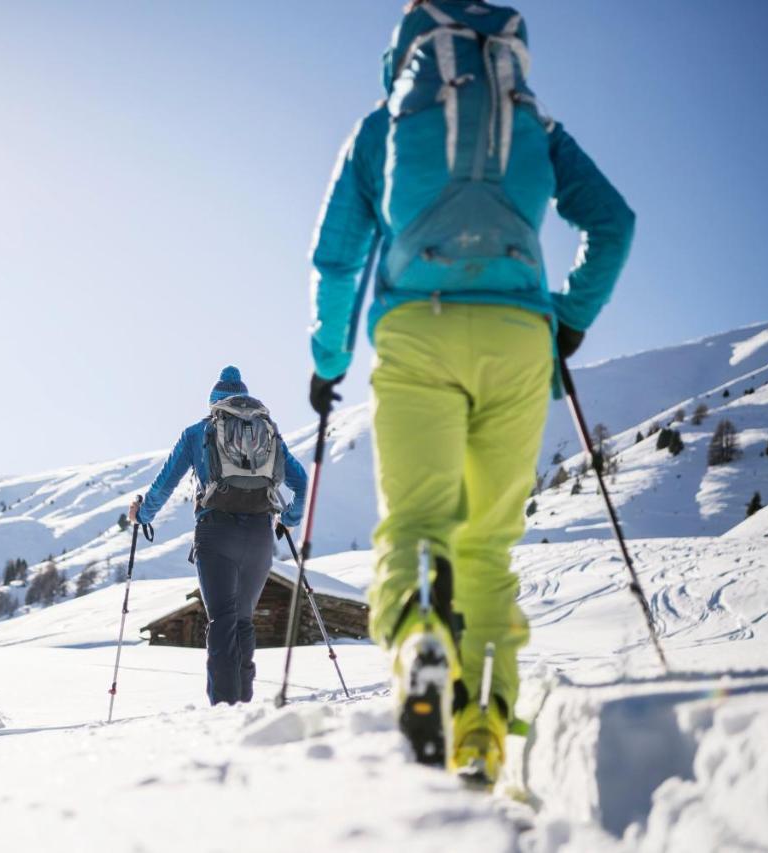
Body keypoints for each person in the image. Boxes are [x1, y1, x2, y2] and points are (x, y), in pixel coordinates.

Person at [306, 0, 634, 781]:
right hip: (520, 335)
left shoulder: (384, 125)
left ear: (410, 50)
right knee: (486, 542)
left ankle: (421, 633)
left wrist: (327, 360)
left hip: (417, 328)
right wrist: (570, 321)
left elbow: (337, 259)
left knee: (418, 519)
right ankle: (484, 720)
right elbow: (612, 222)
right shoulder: (533, 120)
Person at [129, 366, 309, 705]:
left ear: (214, 404)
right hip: (259, 533)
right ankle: (243, 705)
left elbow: (164, 483)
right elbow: (301, 484)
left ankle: (225, 708)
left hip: (216, 531)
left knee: (222, 620)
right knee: (243, 620)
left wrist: (143, 514)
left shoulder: (199, 432)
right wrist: (289, 517)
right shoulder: (268, 434)